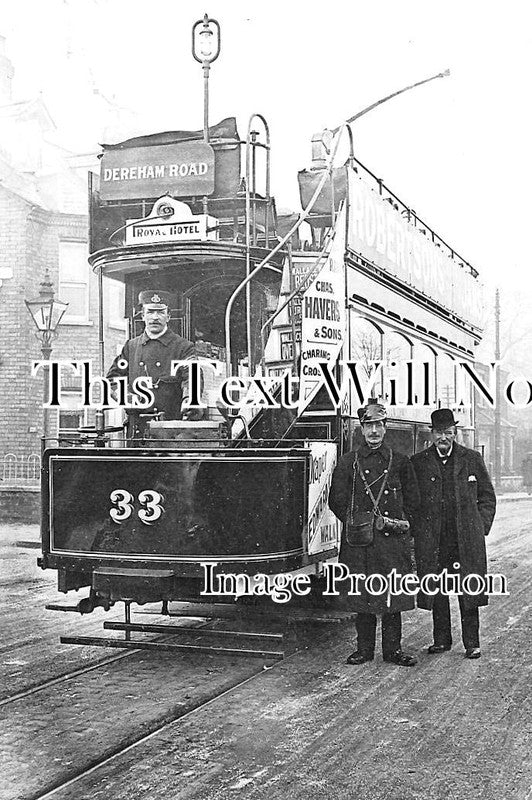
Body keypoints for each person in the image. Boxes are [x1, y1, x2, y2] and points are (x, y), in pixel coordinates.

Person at [328, 401, 420, 667]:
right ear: (362, 429)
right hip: (361, 542)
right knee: (363, 597)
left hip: (392, 541)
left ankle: (393, 651)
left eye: (379, 425)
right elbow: (337, 500)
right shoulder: (348, 463)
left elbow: (413, 501)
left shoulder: (400, 462)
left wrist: (399, 526)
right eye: (369, 426)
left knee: (392, 598)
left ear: (385, 428)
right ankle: (364, 650)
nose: (374, 431)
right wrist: (358, 523)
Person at [410, 408, 496, 659]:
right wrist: (420, 531)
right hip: (435, 540)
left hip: (464, 539)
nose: (443, 438)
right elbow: (413, 503)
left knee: (468, 590)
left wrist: (479, 527)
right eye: (439, 433)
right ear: (431, 433)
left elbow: (487, 497)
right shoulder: (419, 462)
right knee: (437, 591)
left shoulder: (471, 459)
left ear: (455, 433)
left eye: (448, 432)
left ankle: (472, 643)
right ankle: (442, 641)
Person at [107, 290, 201, 437]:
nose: (155, 317)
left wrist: (189, 399)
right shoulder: (131, 347)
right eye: (150, 312)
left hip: (171, 433)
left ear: (168, 316)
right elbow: (112, 380)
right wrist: (128, 398)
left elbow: (192, 378)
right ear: (143, 315)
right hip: (136, 432)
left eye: (160, 312)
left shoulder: (183, 347)